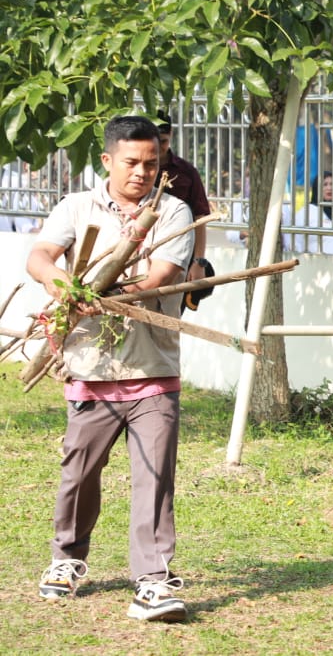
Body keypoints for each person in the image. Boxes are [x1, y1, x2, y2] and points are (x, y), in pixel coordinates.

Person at [27, 115, 193, 622]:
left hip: (153, 369)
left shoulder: (174, 211)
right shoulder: (78, 207)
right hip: (90, 366)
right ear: (107, 160)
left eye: (151, 163)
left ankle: (153, 580)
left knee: (153, 478)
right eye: (132, 163)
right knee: (79, 472)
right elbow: (39, 257)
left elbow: (159, 277)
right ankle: (67, 558)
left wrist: (105, 291)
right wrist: (67, 288)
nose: (142, 172)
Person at [155, 113, 212, 280]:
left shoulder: (186, 172)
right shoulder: (136, 173)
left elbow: (199, 218)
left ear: (171, 135)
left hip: (179, 257)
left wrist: (199, 261)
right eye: (155, 141)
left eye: (163, 141)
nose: (158, 147)